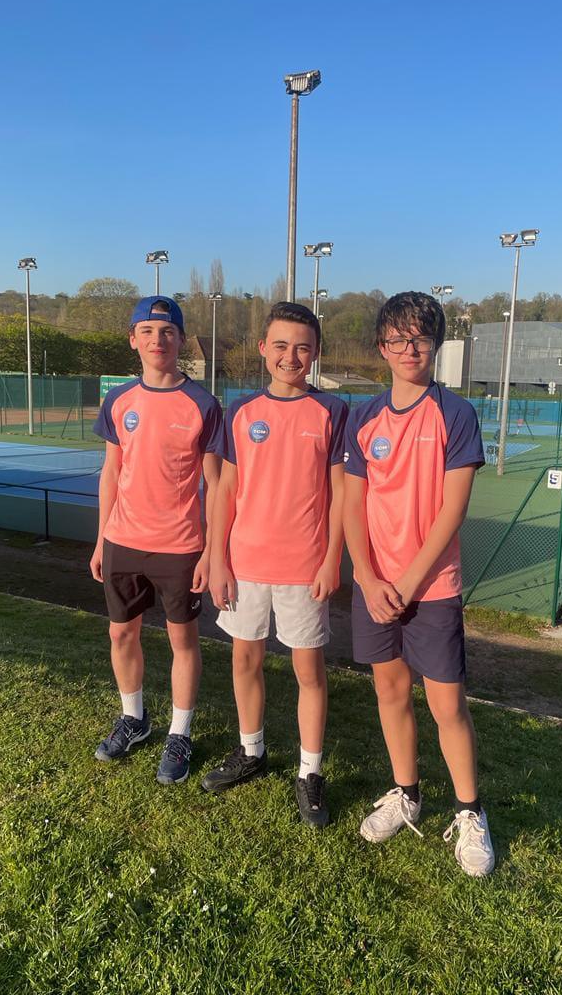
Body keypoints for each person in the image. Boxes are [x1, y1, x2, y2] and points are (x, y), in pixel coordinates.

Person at [343, 291, 495, 876]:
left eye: (421, 338)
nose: (410, 348)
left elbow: (451, 512)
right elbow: (352, 507)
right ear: (382, 348)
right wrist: (368, 576)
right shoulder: (364, 416)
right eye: (399, 339)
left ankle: (470, 812)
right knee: (389, 693)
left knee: (447, 705)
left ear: (435, 345)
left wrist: (405, 582)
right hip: (375, 586)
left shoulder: (455, 414)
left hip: (429, 589)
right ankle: (406, 792)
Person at [203, 302, 347, 827]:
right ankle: (252, 751)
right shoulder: (241, 412)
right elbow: (226, 491)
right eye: (281, 345)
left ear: (315, 354)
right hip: (245, 565)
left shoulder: (332, 412)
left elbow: (339, 497)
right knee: (245, 662)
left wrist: (333, 559)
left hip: (304, 568)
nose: (291, 356)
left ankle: (310, 772)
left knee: (308, 670)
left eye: (302, 347)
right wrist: (216, 557)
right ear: (263, 349)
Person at [90, 295, 222, 785]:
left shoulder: (203, 403)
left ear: (181, 339)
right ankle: (135, 719)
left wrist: (211, 549)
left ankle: (180, 733)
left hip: (181, 546)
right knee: (120, 633)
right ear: (133, 340)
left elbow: (215, 483)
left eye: (166, 332)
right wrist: (103, 539)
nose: (157, 340)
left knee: (181, 640)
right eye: (146, 331)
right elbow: (111, 472)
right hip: (123, 540)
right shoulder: (119, 400)